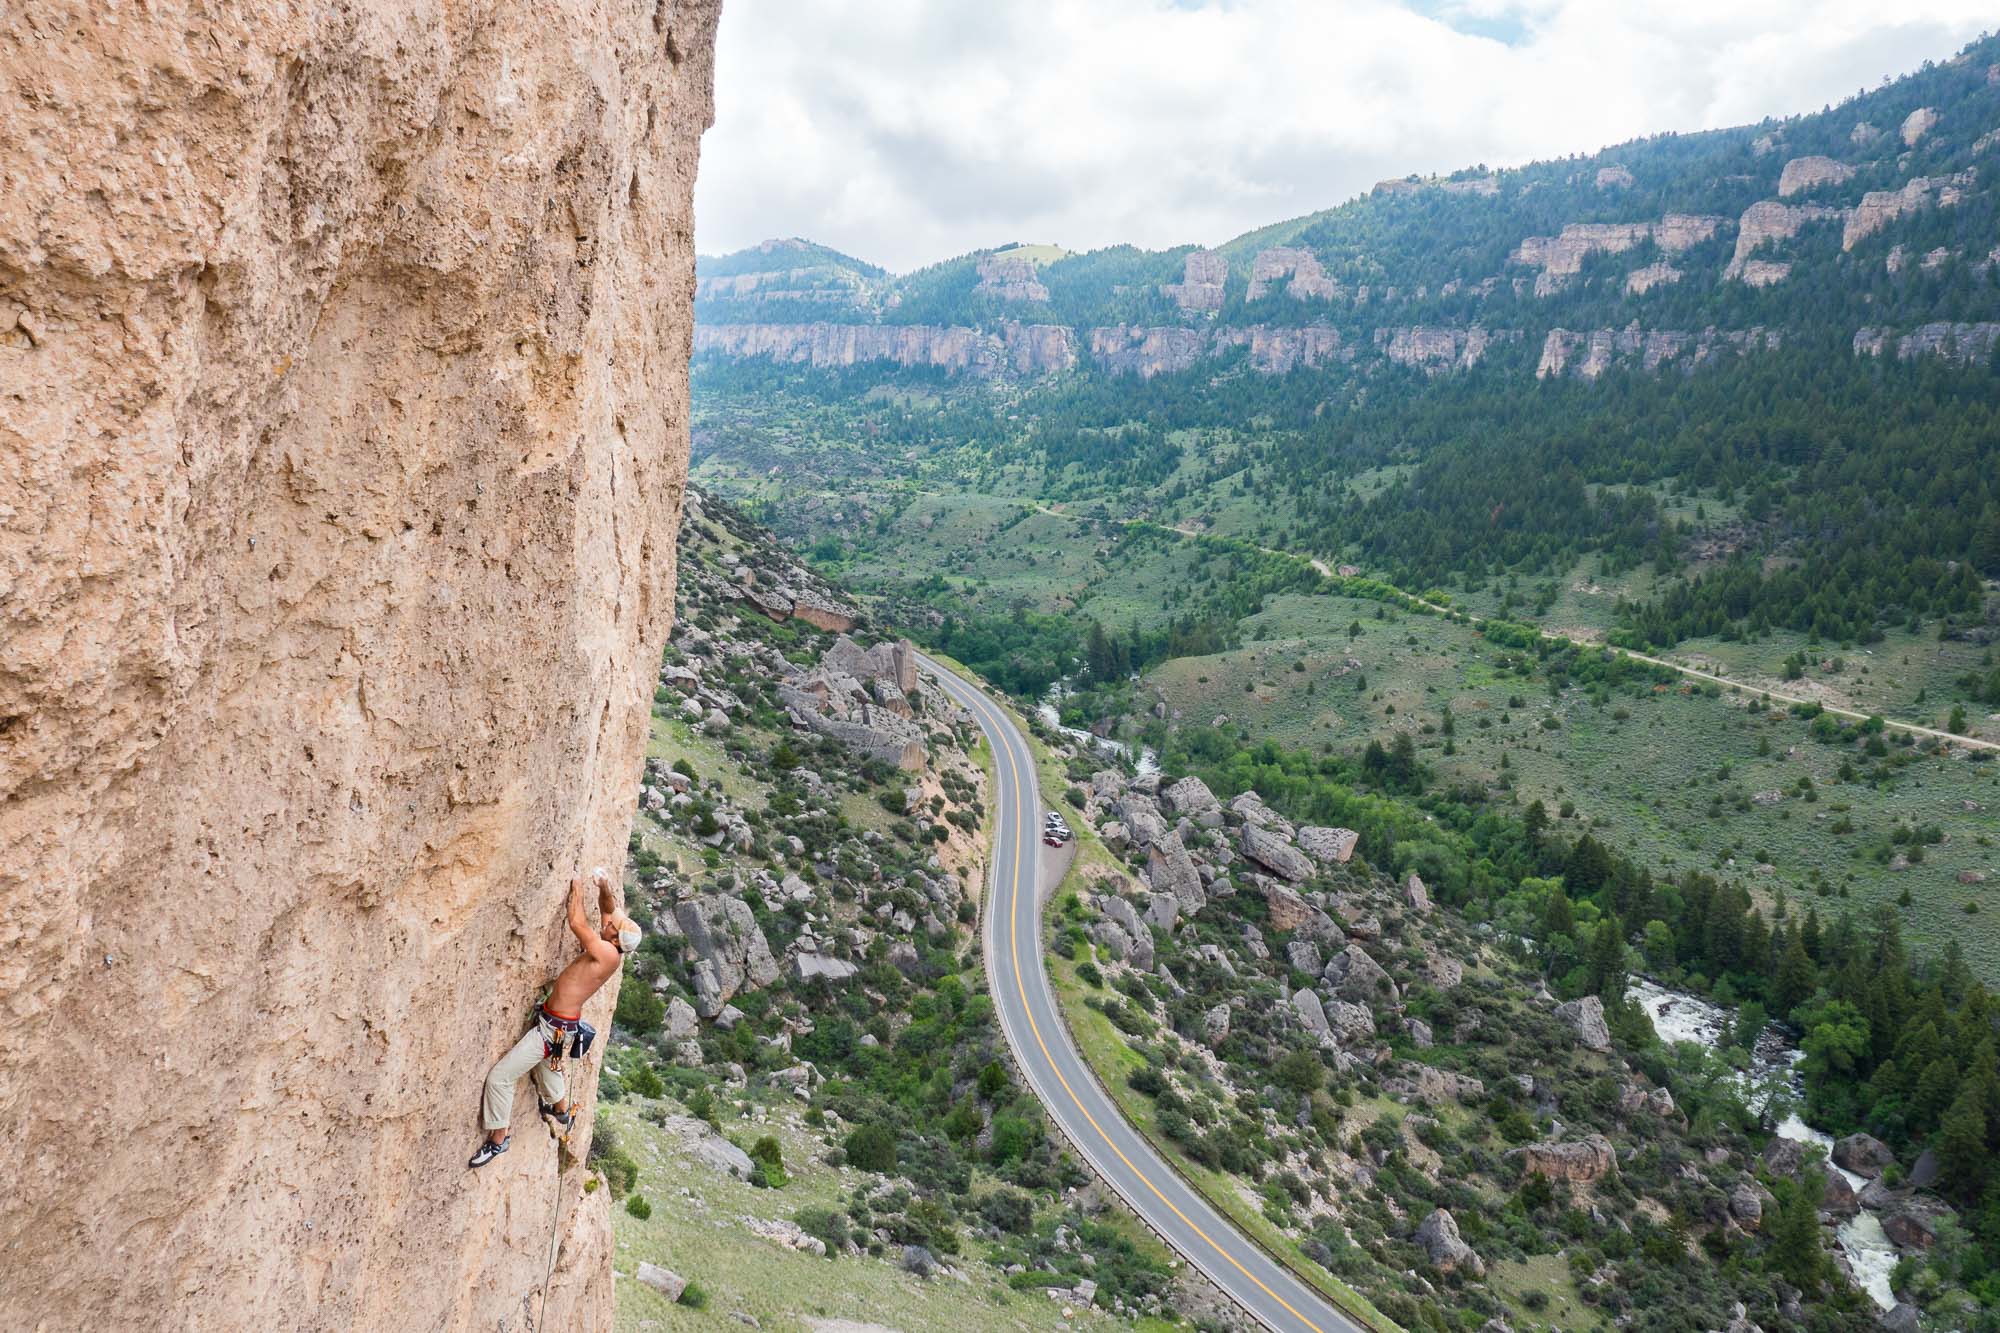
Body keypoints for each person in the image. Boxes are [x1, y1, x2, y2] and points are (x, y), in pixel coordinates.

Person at [468, 868, 640, 1168]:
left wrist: (575, 886)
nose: (610, 921)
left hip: (551, 1033)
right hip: (560, 1030)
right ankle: (561, 1110)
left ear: (615, 937)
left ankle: (499, 1139)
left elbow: (576, 921)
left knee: (501, 1077)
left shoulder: (606, 954)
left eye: (613, 925)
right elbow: (609, 909)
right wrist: (603, 885)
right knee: (548, 1071)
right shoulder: (611, 945)